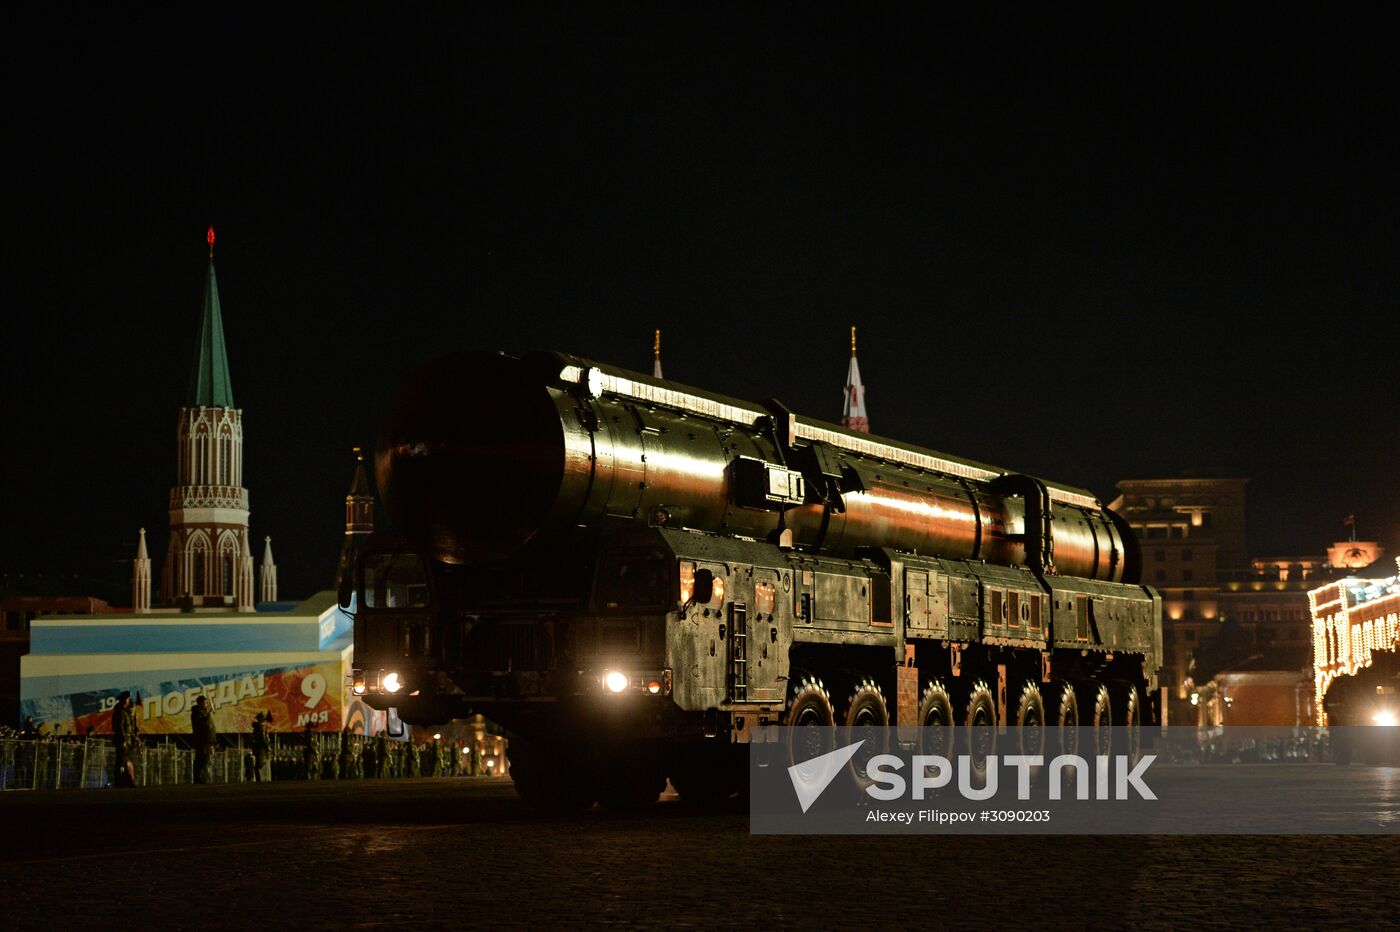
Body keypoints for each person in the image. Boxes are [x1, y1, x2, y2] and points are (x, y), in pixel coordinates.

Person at [110, 691, 139, 788]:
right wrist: (123, 740)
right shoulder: (120, 712)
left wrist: (134, 738)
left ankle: (124, 782)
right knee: (121, 762)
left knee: (123, 761)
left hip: (126, 740)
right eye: (127, 699)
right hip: (123, 740)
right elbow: (119, 727)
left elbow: (129, 728)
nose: (128, 701)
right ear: (124, 700)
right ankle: (121, 782)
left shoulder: (124, 712)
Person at [191, 695, 217, 784]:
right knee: (201, 759)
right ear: (199, 703)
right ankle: (198, 778)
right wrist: (208, 714)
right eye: (205, 703)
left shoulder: (202, 712)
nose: (206, 704)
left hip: (206, 740)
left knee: (204, 758)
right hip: (201, 740)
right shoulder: (197, 713)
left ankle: (200, 777)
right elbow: (202, 724)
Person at [251, 711, 271, 782]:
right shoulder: (259, 727)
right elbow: (261, 739)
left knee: (260, 764)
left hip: (258, 747)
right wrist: (266, 746)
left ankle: (259, 779)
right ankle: (259, 780)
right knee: (259, 764)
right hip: (260, 747)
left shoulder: (257, 727)